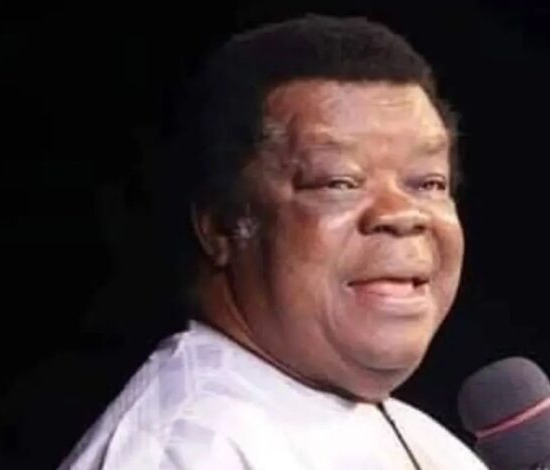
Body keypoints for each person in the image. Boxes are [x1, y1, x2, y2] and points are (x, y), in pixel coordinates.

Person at [59, 14, 486, 469]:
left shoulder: (414, 436)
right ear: (223, 226)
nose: (401, 214)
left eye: (429, 183)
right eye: (338, 182)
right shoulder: (191, 449)